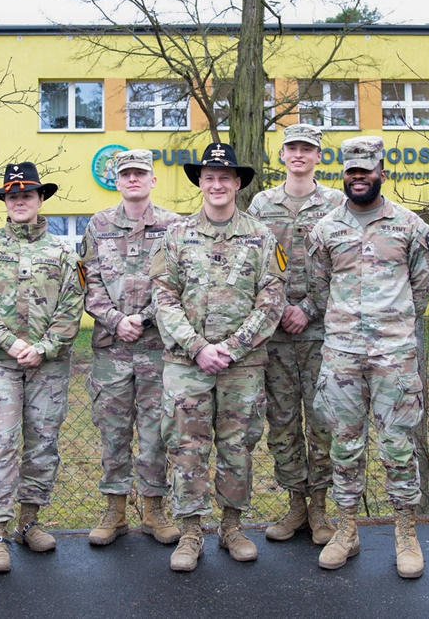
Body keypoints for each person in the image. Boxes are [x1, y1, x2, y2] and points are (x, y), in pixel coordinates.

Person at [149, 142, 286, 572]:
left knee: (237, 447)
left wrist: (231, 347)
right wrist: (199, 347)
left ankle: (231, 527)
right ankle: (190, 532)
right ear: (200, 183)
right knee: (186, 447)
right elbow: (163, 297)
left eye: (225, 177)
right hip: (187, 364)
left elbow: (272, 299)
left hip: (242, 365)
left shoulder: (262, 236)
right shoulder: (176, 236)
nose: (217, 184)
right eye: (209, 177)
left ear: (238, 183)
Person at [307, 136, 429, 579]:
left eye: (367, 170)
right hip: (342, 353)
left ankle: (406, 533)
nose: (359, 178)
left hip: (394, 356)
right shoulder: (325, 229)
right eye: (351, 172)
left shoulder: (409, 226)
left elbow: (422, 286)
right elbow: (317, 285)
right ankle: (346, 530)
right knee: (345, 445)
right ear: (343, 175)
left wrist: (391, 324)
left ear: (382, 171)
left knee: (398, 446)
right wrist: (348, 324)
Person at [0, 162, 84, 573]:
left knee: (43, 444)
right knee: (0, 444)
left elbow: (72, 305)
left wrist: (44, 347)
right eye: (12, 196)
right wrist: (11, 342)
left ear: (40, 199)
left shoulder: (64, 251)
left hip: (48, 366)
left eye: (27, 195)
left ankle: (29, 521)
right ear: (5, 201)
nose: (19, 202)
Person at [246, 124, 343, 546]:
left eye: (308, 148)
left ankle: (320, 508)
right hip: (276, 334)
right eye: (292, 148)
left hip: (322, 332)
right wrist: (280, 309)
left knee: (322, 421)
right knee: (282, 422)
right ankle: (295, 505)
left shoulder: (337, 203)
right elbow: (254, 264)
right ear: (282, 154)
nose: (299, 154)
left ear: (319, 156)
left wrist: (308, 309)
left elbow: (345, 267)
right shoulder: (261, 203)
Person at [81, 150, 180, 546]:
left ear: (153, 180)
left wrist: (147, 317)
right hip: (112, 348)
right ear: (117, 181)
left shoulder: (174, 225)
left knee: (157, 431)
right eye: (127, 175)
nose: (134, 180)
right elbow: (88, 281)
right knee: (113, 431)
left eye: (141, 173)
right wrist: (115, 319)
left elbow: (178, 279)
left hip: (158, 347)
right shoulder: (98, 225)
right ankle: (115, 510)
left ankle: (154, 510)